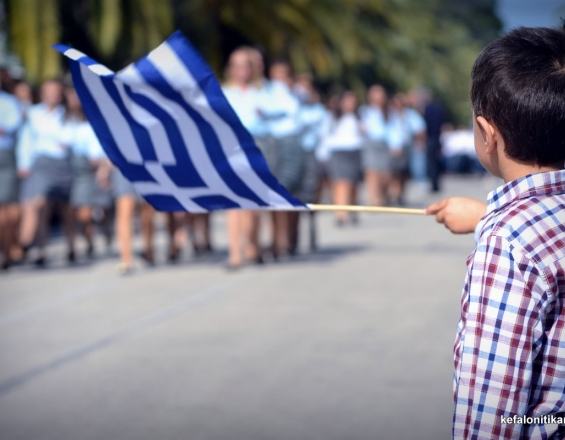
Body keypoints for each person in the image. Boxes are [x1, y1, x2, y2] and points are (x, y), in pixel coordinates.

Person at [426, 26, 565, 439]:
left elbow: (492, 412)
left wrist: (496, 225)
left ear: (487, 135)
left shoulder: (507, 246)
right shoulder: (516, 231)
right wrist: (488, 216)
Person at [17, 79, 74, 266]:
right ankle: (32, 247)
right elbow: (26, 139)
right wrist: (24, 164)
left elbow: (72, 140)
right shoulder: (33, 114)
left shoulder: (67, 115)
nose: (53, 95)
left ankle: (71, 247)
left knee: (66, 210)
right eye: (49, 91)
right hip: (41, 163)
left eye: (56, 91)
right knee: (40, 205)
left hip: (64, 164)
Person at [223, 47, 264, 269]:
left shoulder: (262, 92)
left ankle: (253, 245)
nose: (241, 70)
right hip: (230, 151)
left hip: (257, 150)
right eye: (236, 65)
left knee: (253, 204)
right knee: (234, 203)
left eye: (245, 65)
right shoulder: (222, 92)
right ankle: (234, 253)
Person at [61, 86, 108, 260]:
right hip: (65, 167)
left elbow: (99, 147)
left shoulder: (92, 118)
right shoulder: (61, 118)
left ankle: (94, 233)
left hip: (86, 169)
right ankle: (71, 246)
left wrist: (102, 168)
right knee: (68, 211)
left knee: (84, 212)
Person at [295, 73, 327, 252]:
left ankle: (312, 229)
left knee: (311, 194)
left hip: (313, 155)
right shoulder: (293, 107)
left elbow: (323, 136)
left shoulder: (318, 111)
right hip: (294, 155)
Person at [325, 91, 364, 225]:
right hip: (338, 152)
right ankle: (341, 213)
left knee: (352, 184)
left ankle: (351, 209)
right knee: (341, 183)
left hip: (354, 152)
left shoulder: (358, 117)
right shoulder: (333, 117)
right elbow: (326, 136)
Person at [0, 85, 23, 269]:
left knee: (7, 211)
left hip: (5, 157)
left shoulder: (8, 102)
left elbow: (10, 128)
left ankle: (7, 251)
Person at [361, 85, 390, 206]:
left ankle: (382, 195)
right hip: (371, 143)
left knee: (384, 173)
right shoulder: (365, 111)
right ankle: (374, 198)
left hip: (384, 144)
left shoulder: (388, 111)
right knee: (372, 172)